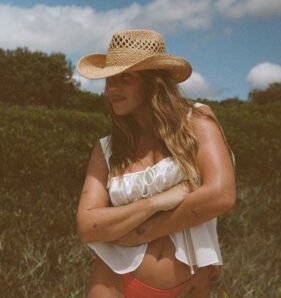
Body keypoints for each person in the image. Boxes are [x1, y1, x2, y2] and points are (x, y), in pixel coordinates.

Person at [76, 29, 236, 298]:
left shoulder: (196, 121)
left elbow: (222, 195)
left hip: (191, 283)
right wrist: (156, 202)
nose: (112, 88)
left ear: (153, 81)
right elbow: (87, 225)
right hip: (113, 281)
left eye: (125, 77)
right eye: (109, 79)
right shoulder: (106, 149)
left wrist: (142, 232)